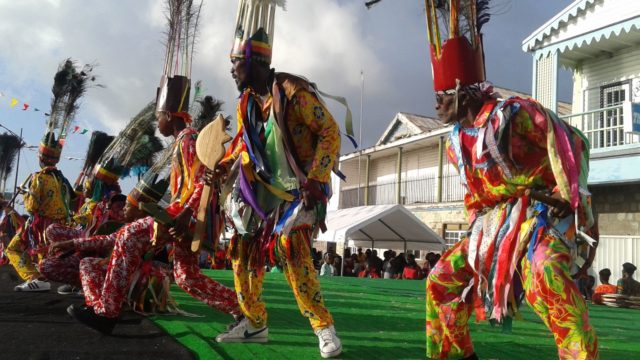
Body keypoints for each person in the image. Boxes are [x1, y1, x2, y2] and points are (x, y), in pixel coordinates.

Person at [418, 1, 599, 359]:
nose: (436, 105)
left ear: (461, 90)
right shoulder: (456, 143)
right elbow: (476, 198)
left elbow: (571, 142)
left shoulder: (513, 117)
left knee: (545, 276)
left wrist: (568, 192)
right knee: (440, 281)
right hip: (491, 230)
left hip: (540, 218)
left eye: (442, 97)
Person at [66, 3, 241, 334]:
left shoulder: (188, 139)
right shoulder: (181, 141)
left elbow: (203, 180)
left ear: (170, 115)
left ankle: (107, 311)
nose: (156, 120)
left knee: (130, 235)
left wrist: (185, 216)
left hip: (183, 217)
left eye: (159, 115)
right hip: (179, 216)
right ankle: (245, 312)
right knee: (187, 278)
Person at [214, 2, 345, 357]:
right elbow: (242, 145)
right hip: (261, 194)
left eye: (235, 63)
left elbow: (330, 133)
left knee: (292, 251)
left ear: (255, 63)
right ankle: (254, 322)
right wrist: (222, 166)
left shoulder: (292, 92)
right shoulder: (246, 104)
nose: (231, 71)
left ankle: (324, 327)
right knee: (241, 250)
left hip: (298, 192)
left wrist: (317, 178)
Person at [6, 60, 92, 291]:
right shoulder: (63, 179)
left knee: (13, 249)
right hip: (60, 225)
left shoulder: (38, 178)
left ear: (41, 156)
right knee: (48, 255)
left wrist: (19, 203)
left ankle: (36, 279)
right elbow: (74, 201)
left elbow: (33, 206)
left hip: (40, 223)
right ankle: (49, 280)